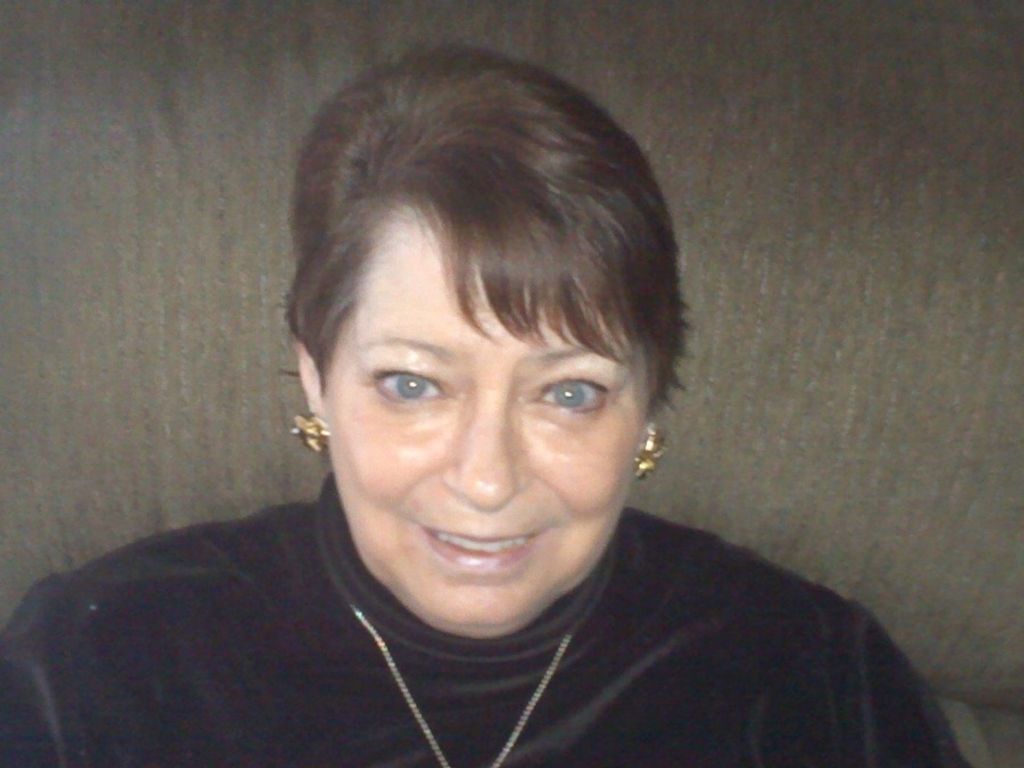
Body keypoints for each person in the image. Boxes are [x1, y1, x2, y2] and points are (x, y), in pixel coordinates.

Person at [0, 47, 969, 767]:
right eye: (413, 384)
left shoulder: (811, 677)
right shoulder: (98, 666)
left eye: (569, 393)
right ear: (316, 375)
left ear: (648, 406)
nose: (487, 479)